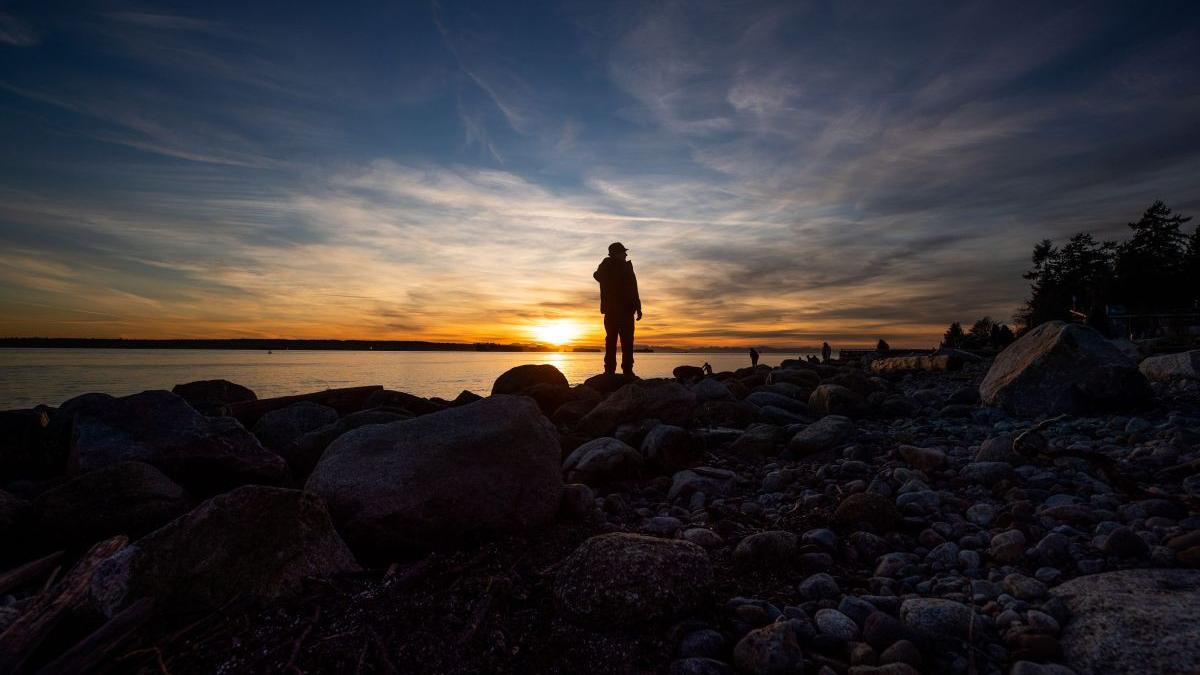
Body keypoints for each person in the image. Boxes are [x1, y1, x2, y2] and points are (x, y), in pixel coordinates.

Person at [593, 242, 642, 375]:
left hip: (627, 311)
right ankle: (609, 370)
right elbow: (597, 275)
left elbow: (634, 289)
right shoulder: (607, 265)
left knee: (627, 342)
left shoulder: (627, 267)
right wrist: (613, 267)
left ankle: (627, 370)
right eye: (623, 252)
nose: (626, 254)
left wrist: (638, 307)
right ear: (616, 254)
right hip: (612, 311)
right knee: (611, 340)